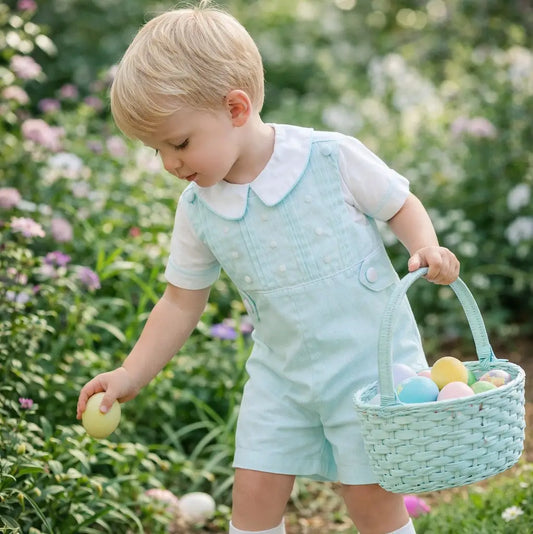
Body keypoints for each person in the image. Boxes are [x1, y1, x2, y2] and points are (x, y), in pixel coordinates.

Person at [76, 2, 460, 533]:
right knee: (253, 496)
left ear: (236, 109)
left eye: (179, 143)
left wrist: (426, 247)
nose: (170, 165)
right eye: (157, 150)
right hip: (281, 377)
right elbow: (180, 300)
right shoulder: (197, 209)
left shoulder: (330, 158)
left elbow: (399, 203)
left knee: (371, 502)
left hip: (370, 372)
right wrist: (130, 373)